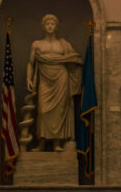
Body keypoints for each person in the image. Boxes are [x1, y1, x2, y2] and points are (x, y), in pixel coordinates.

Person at [26, 14, 82, 151]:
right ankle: (41, 143)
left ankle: (57, 143)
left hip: (61, 79)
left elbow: (74, 59)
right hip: (45, 79)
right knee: (43, 111)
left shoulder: (63, 44)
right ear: (43, 26)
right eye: (47, 23)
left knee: (60, 111)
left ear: (56, 27)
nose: (50, 26)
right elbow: (31, 63)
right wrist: (28, 78)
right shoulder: (37, 44)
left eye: (52, 23)